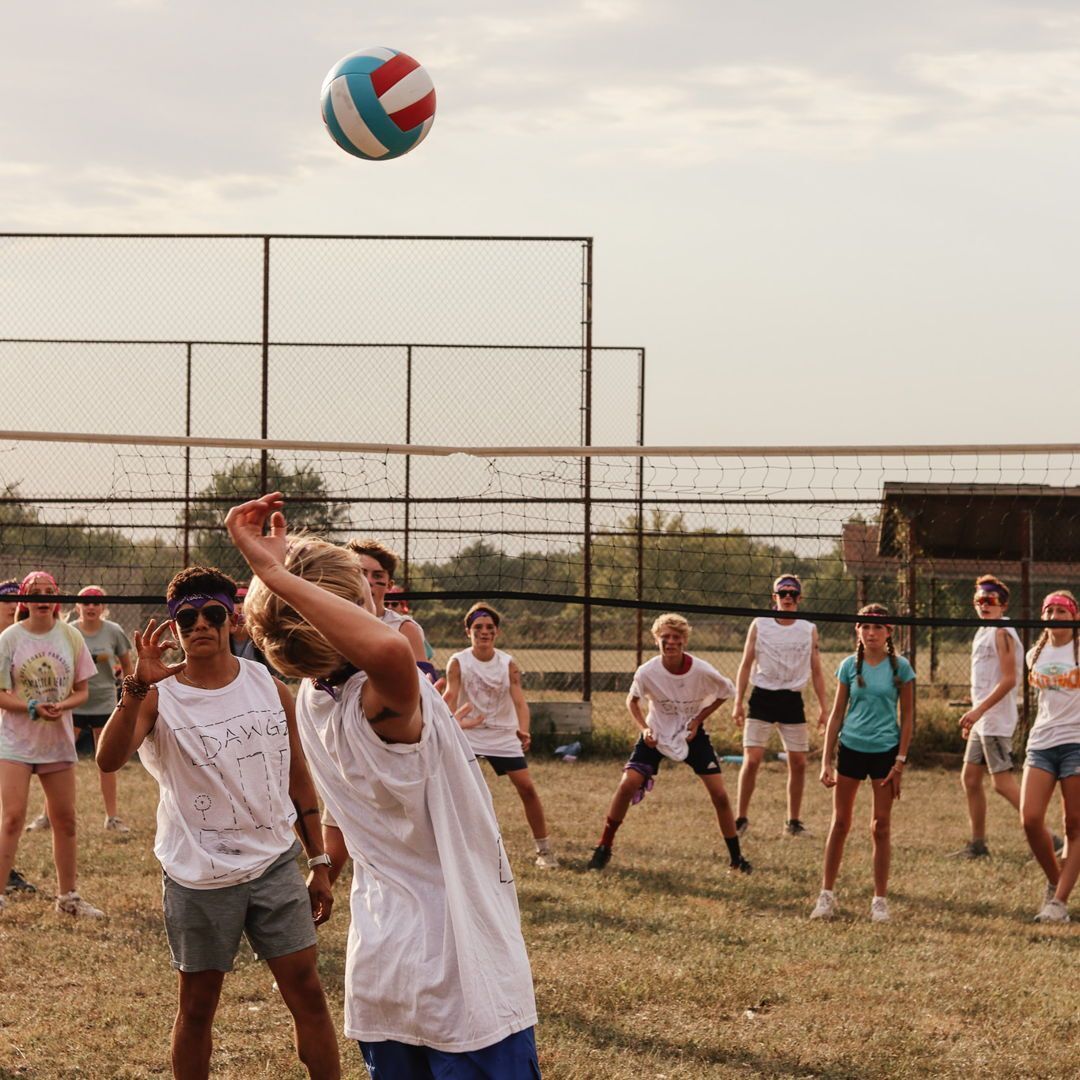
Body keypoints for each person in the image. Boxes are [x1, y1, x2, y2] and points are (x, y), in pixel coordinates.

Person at [225, 494, 541, 1079]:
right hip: (458, 971)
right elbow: (391, 649)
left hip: (384, 968)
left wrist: (275, 589)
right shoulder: (381, 695)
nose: (379, 597)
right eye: (365, 592)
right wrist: (272, 572)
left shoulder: (312, 705)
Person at [95, 567, 340, 1080]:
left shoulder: (270, 687)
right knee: (199, 1008)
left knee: (309, 996)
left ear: (232, 619)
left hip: (275, 867)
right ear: (174, 627)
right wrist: (136, 685)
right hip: (199, 879)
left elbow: (298, 782)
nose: (199, 625)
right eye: (186, 618)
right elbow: (107, 759)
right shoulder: (159, 694)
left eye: (211, 614)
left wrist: (318, 861)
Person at [587, 612, 751, 875]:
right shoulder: (648, 671)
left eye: (676, 637)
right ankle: (604, 847)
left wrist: (697, 721)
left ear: (684, 641)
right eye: (665, 637)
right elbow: (632, 701)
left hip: (690, 733)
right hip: (657, 733)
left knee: (720, 795)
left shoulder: (701, 669)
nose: (670, 642)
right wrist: (645, 729)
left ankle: (736, 858)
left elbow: (726, 692)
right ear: (656, 640)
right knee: (627, 783)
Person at [0, 571, 102, 918]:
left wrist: (64, 706)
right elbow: (0, 695)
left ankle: (68, 899)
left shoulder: (71, 637)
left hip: (56, 743)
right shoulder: (10, 639)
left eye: (48, 591)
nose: (42, 597)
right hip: (16, 742)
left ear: (56, 599)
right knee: (13, 818)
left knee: (65, 820)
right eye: (35, 592)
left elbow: (82, 691)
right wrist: (31, 706)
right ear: (25, 600)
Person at [811, 604, 914, 923]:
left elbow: (909, 716)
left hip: (885, 752)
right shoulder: (847, 666)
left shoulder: (901, 668)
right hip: (852, 749)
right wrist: (826, 760)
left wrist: (900, 761)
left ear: (888, 632)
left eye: (877, 628)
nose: (871, 633)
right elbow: (837, 715)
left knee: (880, 826)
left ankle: (879, 900)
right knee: (840, 823)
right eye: (865, 627)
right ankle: (826, 896)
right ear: (857, 631)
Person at [444, 602, 559, 869]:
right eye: (478, 627)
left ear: (497, 632)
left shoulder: (507, 663)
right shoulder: (458, 661)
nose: (484, 632)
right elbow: (449, 696)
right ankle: (456, 850)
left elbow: (519, 700)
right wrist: (445, 725)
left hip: (503, 734)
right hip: (468, 734)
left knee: (527, 788)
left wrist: (524, 729)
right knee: (456, 790)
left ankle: (544, 850)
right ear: (467, 632)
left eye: (489, 627)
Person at [732, 573, 828, 838]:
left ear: (799, 598)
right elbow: (745, 664)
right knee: (752, 760)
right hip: (762, 697)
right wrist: (737, 702)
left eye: (793, 594)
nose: (788, 597)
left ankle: (793, 823)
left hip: (791, 700)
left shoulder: (808, 628)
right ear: (774, 597)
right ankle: (740, 819)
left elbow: (817, 670)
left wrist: (824, 708)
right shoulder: (760, 624)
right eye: (782, 593)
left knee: (798, 763)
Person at [949, 576, 1024, 859]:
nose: (984, 605)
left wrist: (979, 711)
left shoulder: (1002, 631)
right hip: (982, 719)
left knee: (1002, 783)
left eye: (990, 600)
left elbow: (1008, 680)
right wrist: (975, 716)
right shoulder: (983, 630)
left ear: (1003, 604)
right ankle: (978, 846)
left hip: (995, 719)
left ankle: (1050, 836)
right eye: (979, 600)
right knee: (969, 779)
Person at [1021, 590, 1080, 923]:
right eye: (1050, 610)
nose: (1055, 615)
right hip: (1042, 742)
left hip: (1077, 742)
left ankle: (1058, 903)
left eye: (1062, 610)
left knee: (1074, 824)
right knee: (1029, 819)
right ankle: (1057, 882)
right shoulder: (1034, 655)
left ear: (1074, 617)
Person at [67, 585, 135, 832]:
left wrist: (129, 697)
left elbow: (128, 666)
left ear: (104, 607)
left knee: (106, 763)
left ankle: (112, 818)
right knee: (60, 763)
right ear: (78, 606)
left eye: (96, 602)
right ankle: (48, 815)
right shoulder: (69, 631)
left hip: (105, 703)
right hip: (73, 703)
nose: (91, 606)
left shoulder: (114, 631)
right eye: (86, 602)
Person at [0, 579, 37, 898]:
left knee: (10, 813)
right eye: (5, 599)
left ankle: (6, 871)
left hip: (12, 734)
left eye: (17, 599)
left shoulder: (25, 639)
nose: (13, 604)